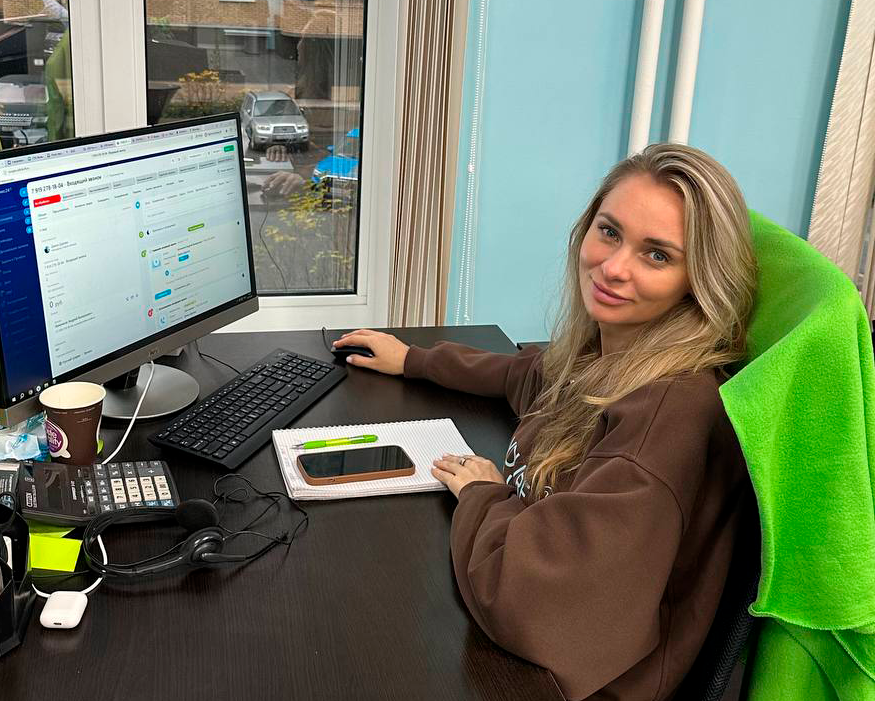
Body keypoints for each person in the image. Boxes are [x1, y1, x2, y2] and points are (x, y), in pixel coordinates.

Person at [332, 143, 757, 700]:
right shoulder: (612, 354)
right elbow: (529, 375)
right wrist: (414, 359)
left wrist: (482, 494)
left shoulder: (665, 420)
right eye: (609, 232)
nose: (613, 267)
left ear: (699, 279)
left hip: (579, 682)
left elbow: (529, 603)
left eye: (657, 255)